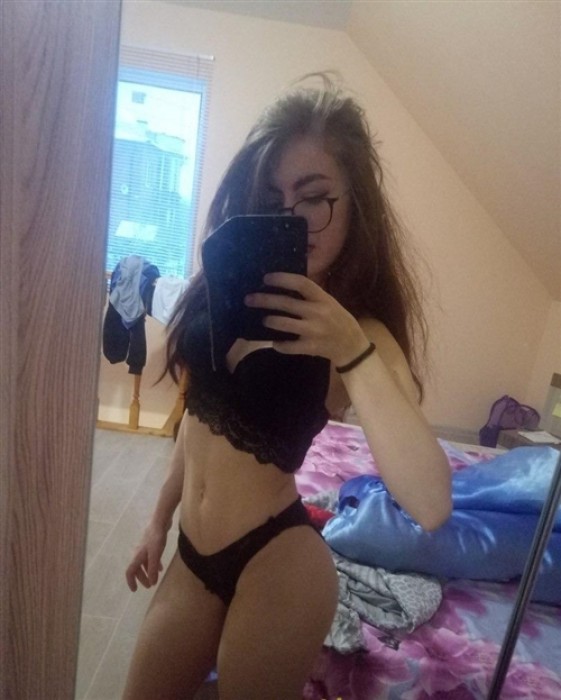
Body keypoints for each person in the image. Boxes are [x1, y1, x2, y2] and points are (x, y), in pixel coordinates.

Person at [123, 75, 452, 700]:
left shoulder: (360, 331)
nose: (292, 217)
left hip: (279, 562)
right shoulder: (228, 288)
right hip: (192, 553)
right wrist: (157, 521)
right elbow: (198, 419)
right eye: (273, 197)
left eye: (314, 196)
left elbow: (431, 502)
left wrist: (350, 348)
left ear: (355, 205)